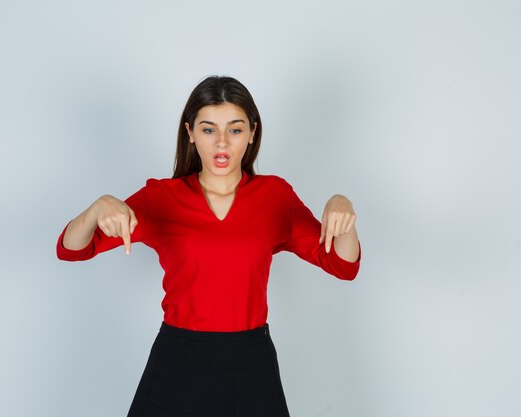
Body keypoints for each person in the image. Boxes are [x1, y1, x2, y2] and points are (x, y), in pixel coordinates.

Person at [56, 75, 362, 417]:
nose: (221, 143)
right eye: (208, 129)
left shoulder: (275, 197)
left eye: (234, 129)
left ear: (252, 133)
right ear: (190, 133)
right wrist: (98, 207)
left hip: (251, 362)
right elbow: (71, 248)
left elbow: (342, 264)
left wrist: (343, 207)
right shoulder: (161, 199)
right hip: (177, 359)